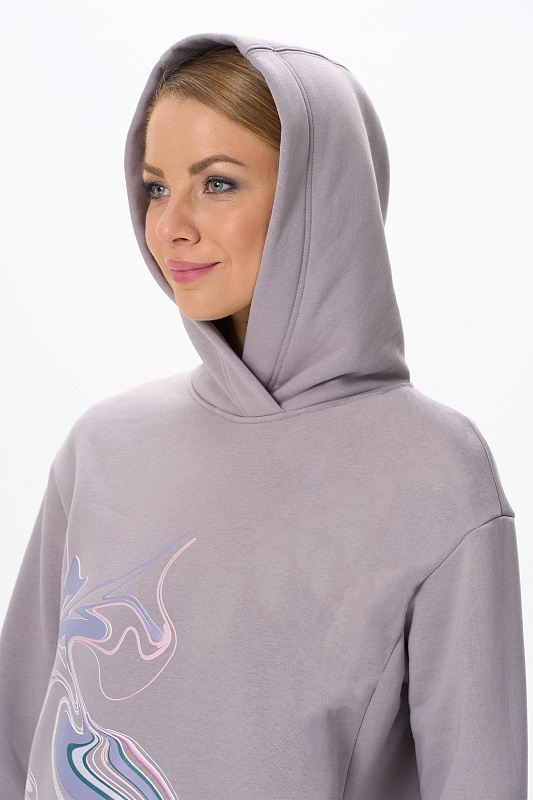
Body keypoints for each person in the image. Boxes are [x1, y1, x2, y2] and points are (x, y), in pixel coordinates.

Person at [0, 31, 527, 800]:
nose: (169, 225)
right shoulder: (103, 448)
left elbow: (478, 779)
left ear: (318, 200)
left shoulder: (435, 475)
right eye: (155, 186)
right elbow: (17, 748)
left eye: (216, 183)